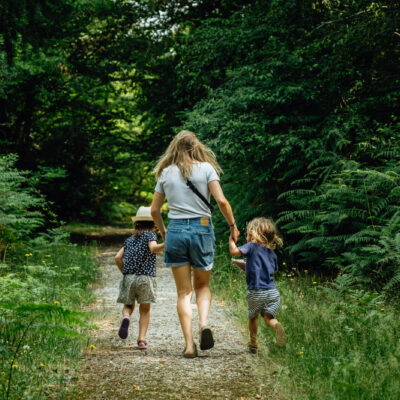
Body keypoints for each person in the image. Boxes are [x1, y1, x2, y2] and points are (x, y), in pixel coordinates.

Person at [151, 130, 239, 358]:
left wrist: (164, 233)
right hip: (201, 228)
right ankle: (204, 324)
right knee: (202, 286)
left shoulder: (165, 173)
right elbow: (220, 200)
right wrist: (232, 226)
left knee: (183, 292)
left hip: (176, 231)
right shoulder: (207, 168)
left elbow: (154, 210)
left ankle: (189, 345)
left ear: (174, 148)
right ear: (195, 146)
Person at [229, 217, 287, 352]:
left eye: (249, 234)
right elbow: (274, 270)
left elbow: (234, 252)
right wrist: (248, 266)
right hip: (272, 292)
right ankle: (276, 325)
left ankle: (253, 342)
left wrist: (231, 240)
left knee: (253, 317)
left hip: (256, 292)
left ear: (253, 234)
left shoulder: (251, 246)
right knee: (269, 319)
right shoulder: (272, 254)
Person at [114, 206, 164, 350]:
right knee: (145, 309)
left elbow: (117, 258)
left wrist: (126, 273)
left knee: (128, 306)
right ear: (153, 224)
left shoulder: (129, 240)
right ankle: (141, 340)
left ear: (136, 224)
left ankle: (126, 317)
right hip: (145, 278)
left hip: (128, 277)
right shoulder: (150, 236)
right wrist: (167, 245)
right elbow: (154, 248)